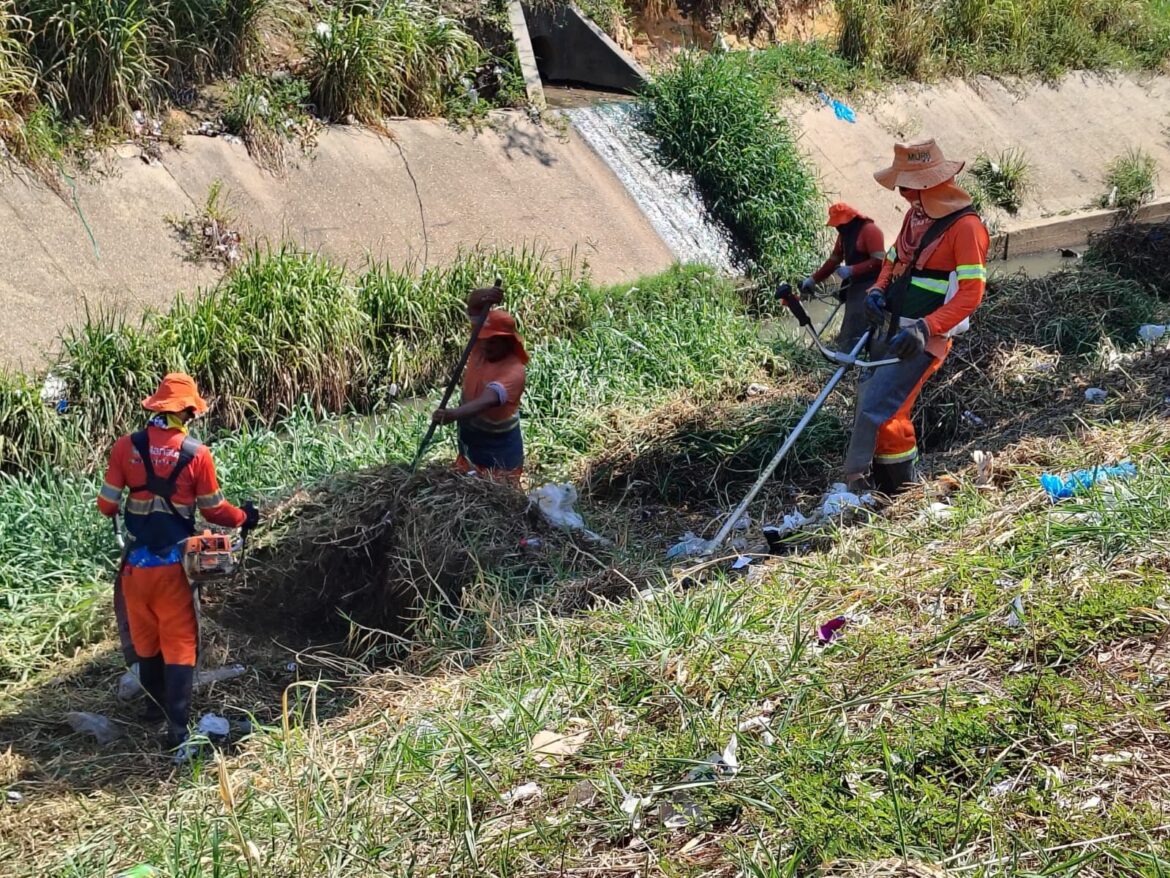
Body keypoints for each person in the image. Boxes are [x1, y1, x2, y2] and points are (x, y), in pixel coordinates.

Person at [96, 373, 259, 759]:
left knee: (147, 640)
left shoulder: (125, 447)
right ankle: (177, 726)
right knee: (180, 641)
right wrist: (245, 517)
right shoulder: (196, 454)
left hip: (135, 568)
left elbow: (106, 505)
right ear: (186, 411)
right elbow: (214, 510)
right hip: (175, 566)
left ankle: (152, 710)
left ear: (155, 408)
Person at [845, 139, 989, 494]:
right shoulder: (915, 216)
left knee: (882, 410)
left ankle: (898, 492)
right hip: (892, 328)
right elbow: (894, 259)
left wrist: (928, 327)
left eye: (906, 187)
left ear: (926, 185)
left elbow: (972, 293)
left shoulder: (965, 228)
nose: (902, 194)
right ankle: (881, 491)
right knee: (873, 405)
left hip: (924, 338)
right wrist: (878, 290)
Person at [431, 287, 528, 484]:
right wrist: (482, 296)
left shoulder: (514, 371)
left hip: (500, 455)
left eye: (493, 342)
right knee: (466, 486)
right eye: (483, 339)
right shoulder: (480, 346)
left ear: (507, 342)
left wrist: (453, 414)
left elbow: (486, 401)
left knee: (497, 501)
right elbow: (473, 309)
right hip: (471, 444)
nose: (485, 345)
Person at [800, 203, 886, 351]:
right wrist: (813, 279)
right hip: (854, 284)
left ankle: (852, 353)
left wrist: (853, 270)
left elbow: (880, 261)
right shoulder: (844, 236)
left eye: (840, 225)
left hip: (871, 284)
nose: (838, 228)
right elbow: (833, 261)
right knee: (850, 323)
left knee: (857, 324)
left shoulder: (870, 231)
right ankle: (845, 348)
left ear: (851, 220)